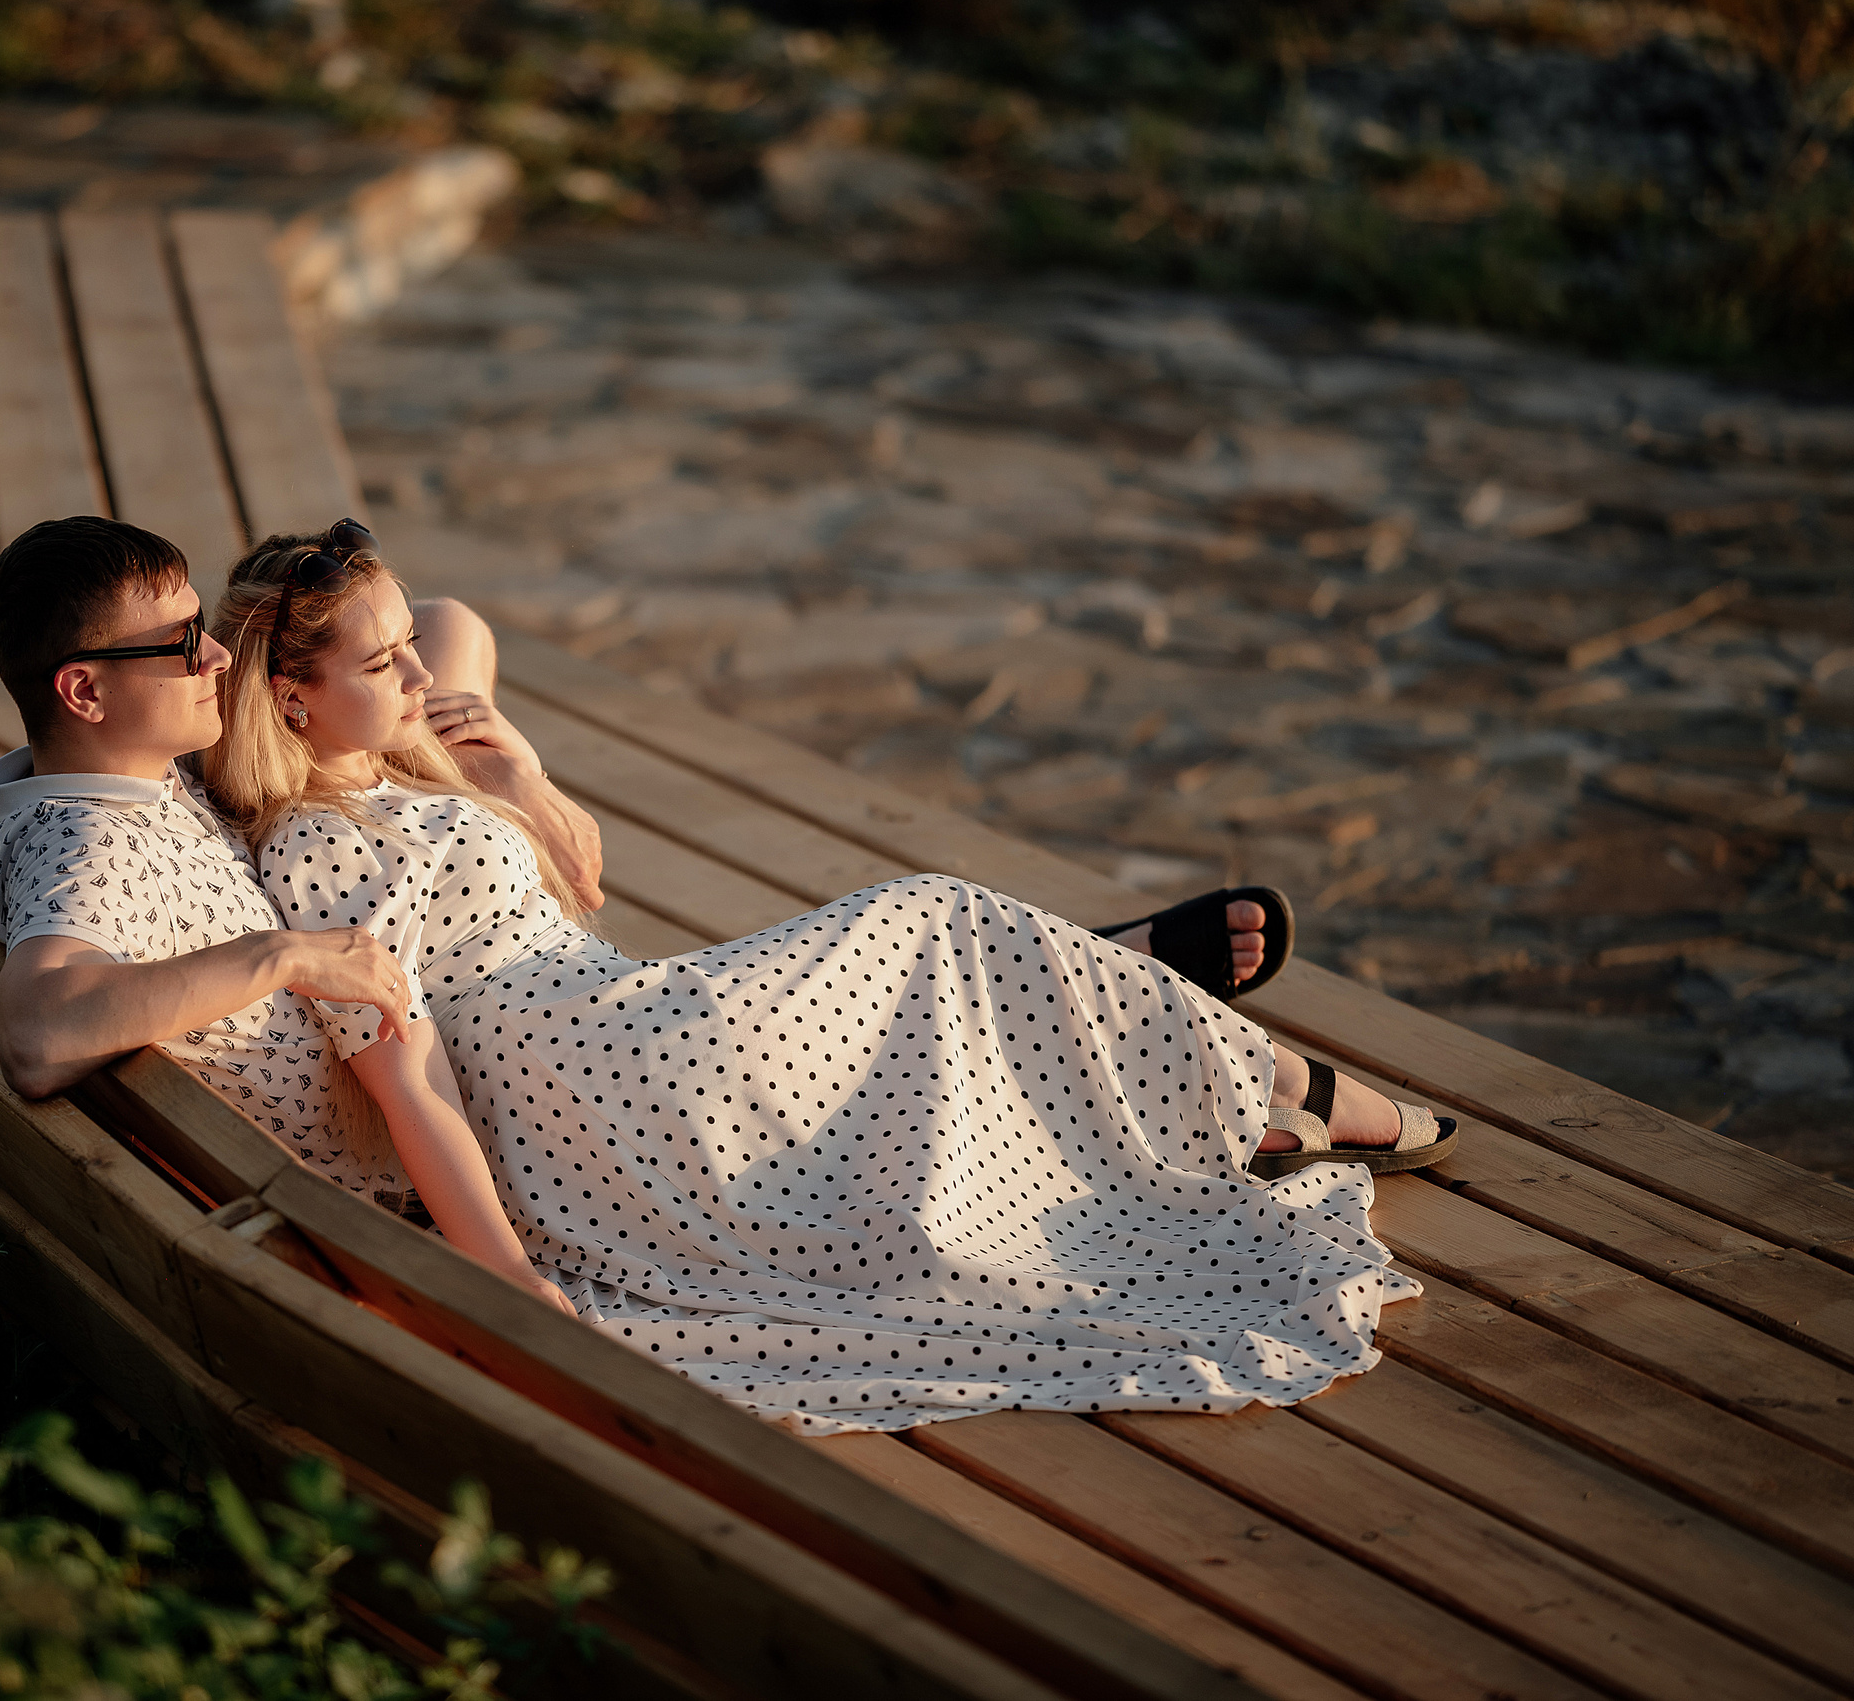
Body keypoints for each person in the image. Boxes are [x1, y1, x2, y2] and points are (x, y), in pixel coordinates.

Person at [201, 522, 1457, 1435]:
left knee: (942, 948)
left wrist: (513, 767)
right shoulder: (317, 851)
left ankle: (1151, 1023)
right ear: (292, 699)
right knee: (933, 921)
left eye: (410, 649)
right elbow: (402, 1067)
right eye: (384, 666)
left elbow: (575, 881)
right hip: (615, 1082)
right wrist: (512, 1281)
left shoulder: (397, 758)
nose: (421, 677)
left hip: (626, 1027)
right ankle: (1255, 1063)